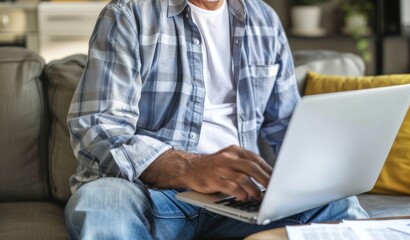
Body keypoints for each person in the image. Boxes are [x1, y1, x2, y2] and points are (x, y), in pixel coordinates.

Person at [64, 0, 368, 238]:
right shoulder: (129, 14)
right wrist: (191, 168)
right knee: (99, 203)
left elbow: (285, 123)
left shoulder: (264, 20)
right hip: (152, 193)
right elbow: (99, 127)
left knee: (340, 206)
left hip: (243, 197)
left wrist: (324, 168)